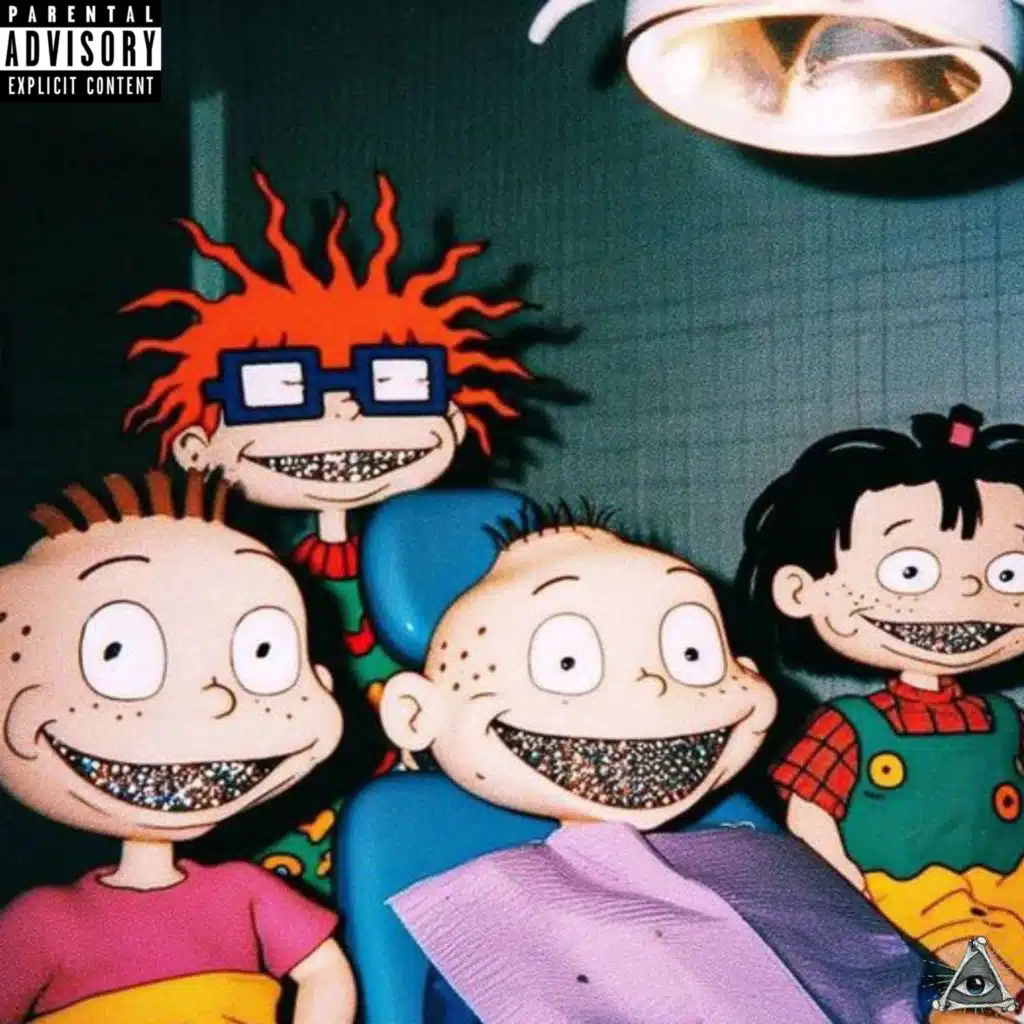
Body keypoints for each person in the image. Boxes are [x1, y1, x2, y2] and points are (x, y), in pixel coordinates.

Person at [119, 167, 537, 898]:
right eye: (281, 387)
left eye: (391, 383)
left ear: (452, 422)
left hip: (430, 805)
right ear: (195, 446)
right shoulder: (237, 579)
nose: (341, 412)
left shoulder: (437, 566)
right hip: (281, 817)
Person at [378, 505, 927, 1023]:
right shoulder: (486, 922)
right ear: (416, 713)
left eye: (691, 654)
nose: (650, 684)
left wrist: (975, 986)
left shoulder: (765, 853)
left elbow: (911, 970)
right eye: (567, 662)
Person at [0, 470, 356, 1024]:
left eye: (263, 653)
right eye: (117, 653)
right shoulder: (43, 922)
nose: (214, 699)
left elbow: (324, 972)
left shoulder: (243, 891)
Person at [738, 404, 1024, 1013]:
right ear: (801, 590)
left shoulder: (1004, 721)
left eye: (1010, 571)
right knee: (983, 1002)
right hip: (903, 906)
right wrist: (843, 889)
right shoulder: (848, 728)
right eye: (910, 570)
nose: (969, 590)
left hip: (1012, 891)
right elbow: (811, 814)